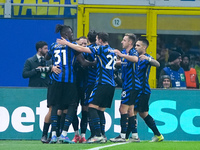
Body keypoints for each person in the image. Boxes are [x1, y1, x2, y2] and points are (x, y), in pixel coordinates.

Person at [57, 32, 117, 143]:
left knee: (91, 107)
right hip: (111, 84)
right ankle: (102, 135)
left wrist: (67, 43)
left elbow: (83, 50)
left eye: (97, 39)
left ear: (100, 40)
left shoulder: (101, 49)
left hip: (101, 82)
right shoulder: (112, 51)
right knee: (100, 110)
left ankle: (97, 135)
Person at [46, 24, 95, 144]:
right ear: (66, 34)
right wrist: (95, 62)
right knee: (72, 106)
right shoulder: (73, 47)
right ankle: (63, 134)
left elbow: (47, 57)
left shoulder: (53, 45)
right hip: (69, 81)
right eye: (71, 33)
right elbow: (83, 63)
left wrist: (52, 67)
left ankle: (53, 135)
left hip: (56, 80)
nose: (73, 36)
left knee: (56, 106)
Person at [109, 33, 141, 142]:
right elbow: (122, 62)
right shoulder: (124, 53)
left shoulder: (133, 52)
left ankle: (122, 136)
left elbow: (135, 59)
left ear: (130, 42)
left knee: (122, 109)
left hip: (131, 85)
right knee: (130, 110)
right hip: (128, 84)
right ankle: (135, 136)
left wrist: (121, 55)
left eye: (124, 40)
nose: (122, 42)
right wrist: (112, 62)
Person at [133, 37, 164, 142]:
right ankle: (158, 135)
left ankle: (131, 136)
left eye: (138, 45)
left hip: (142, 89)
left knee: (133, 111)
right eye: (135, 45)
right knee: (142, 113)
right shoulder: (134, 57)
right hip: (135, 89)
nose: (136, 47)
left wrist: (149, 59)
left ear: (144, 47)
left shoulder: (147, 57)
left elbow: (157, 64)